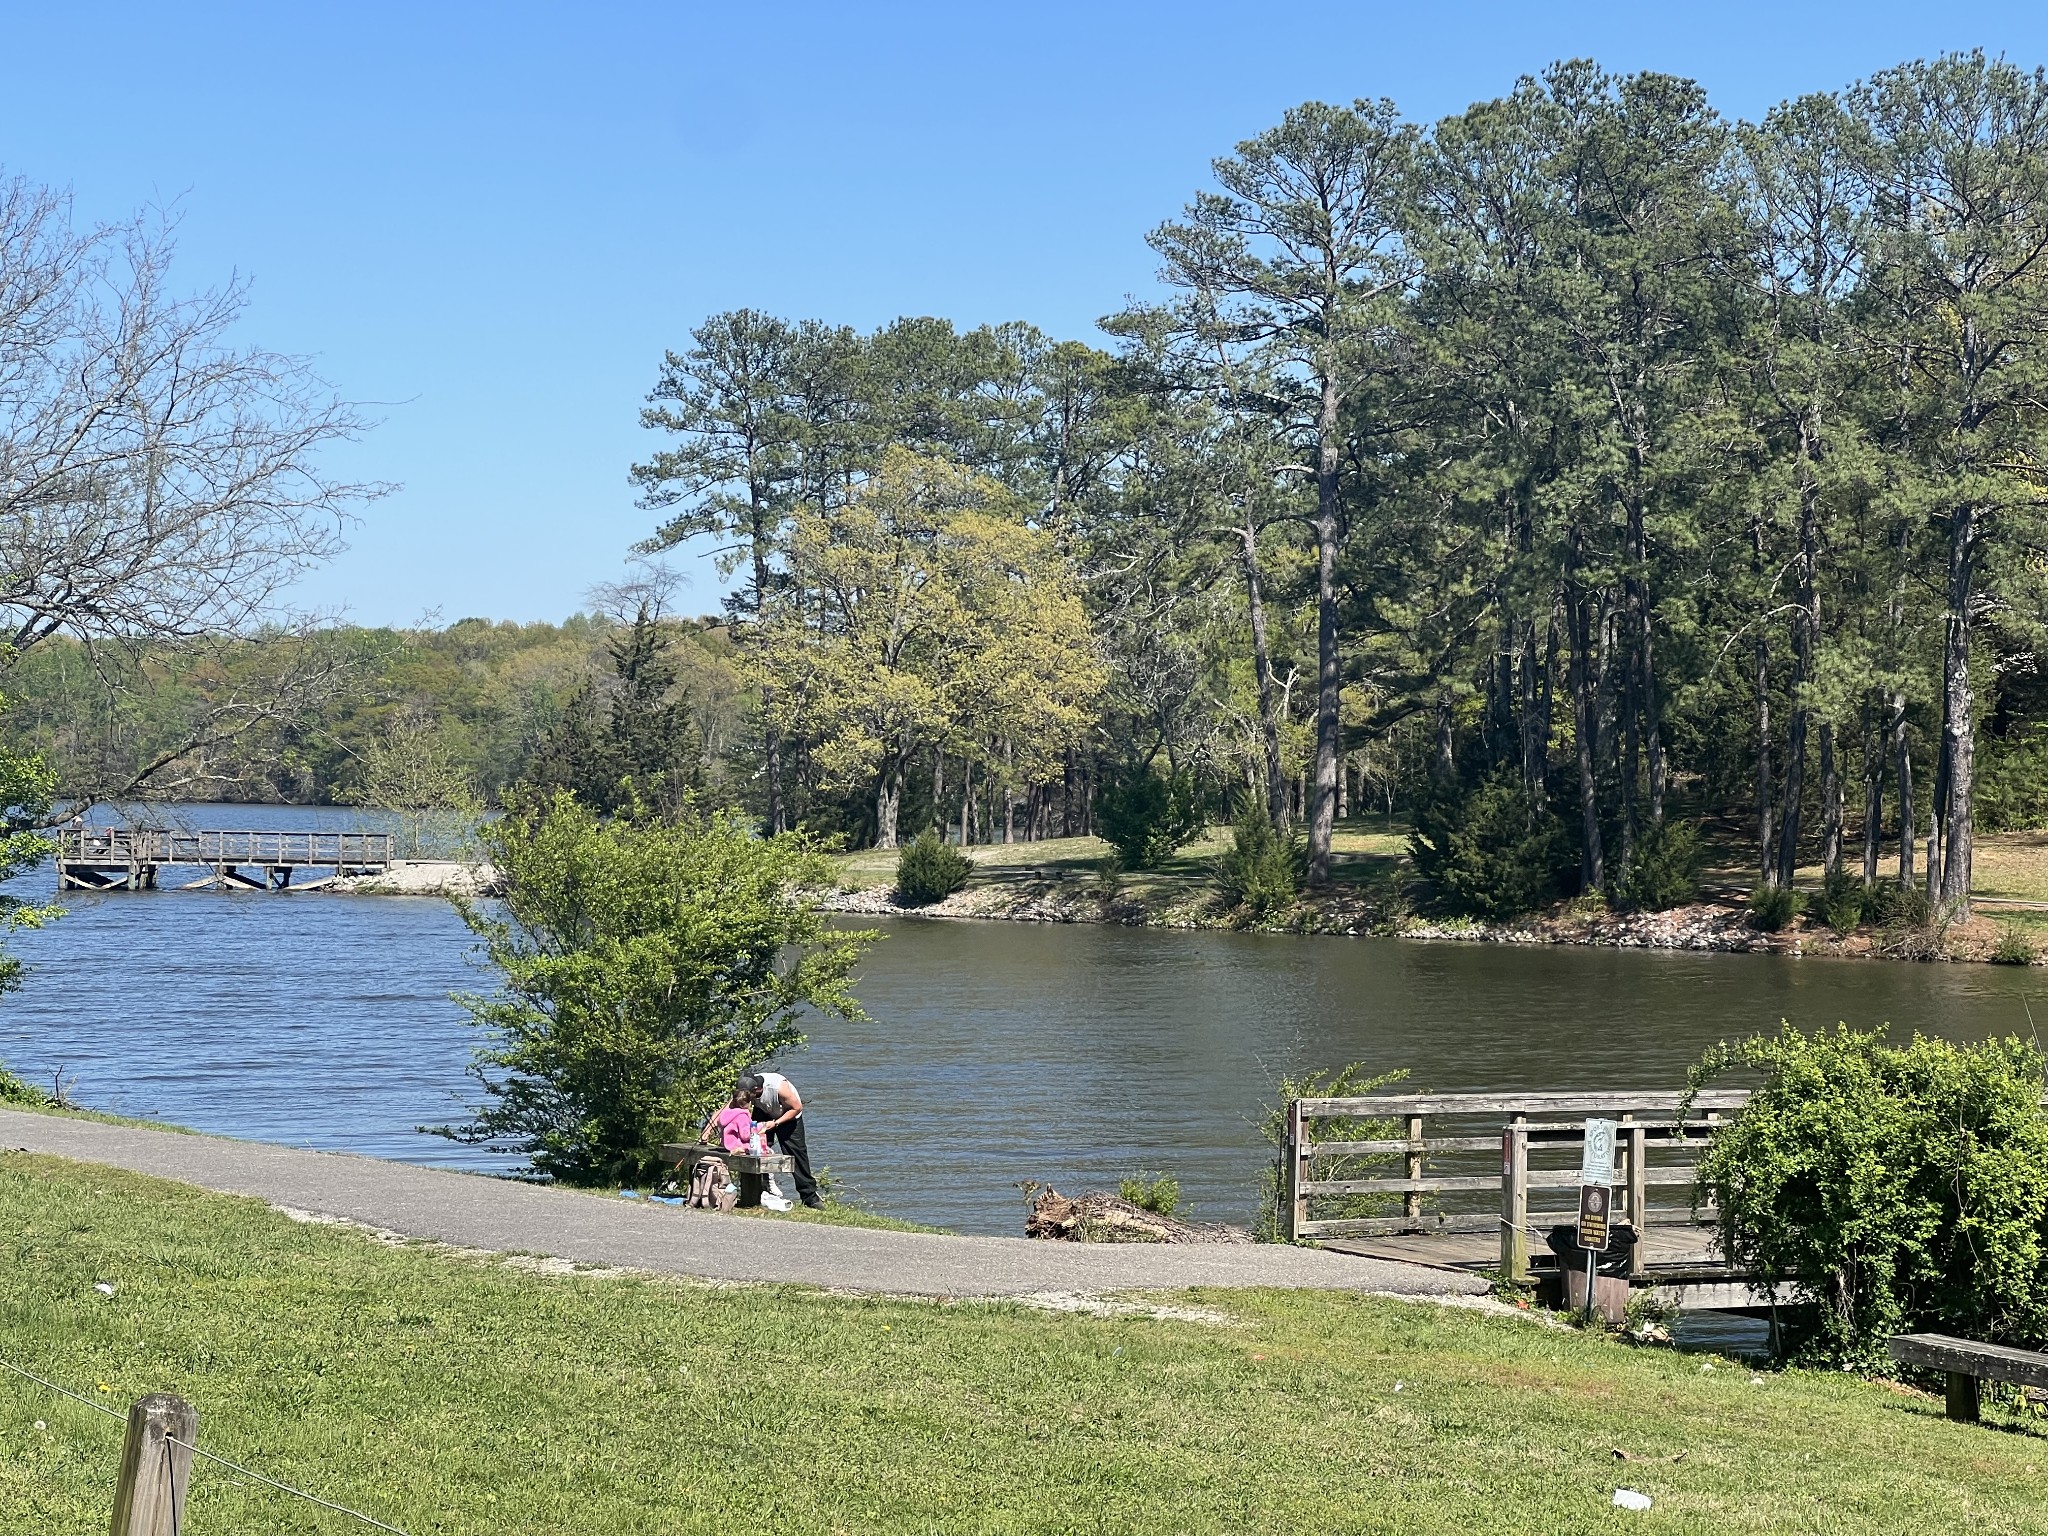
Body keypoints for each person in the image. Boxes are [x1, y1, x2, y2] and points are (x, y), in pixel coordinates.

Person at [740, 1069, 821, 1208]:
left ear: (757, 1089)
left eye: (749, 1095)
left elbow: (797, 1107)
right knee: (756, 1149)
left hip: (788, 1114)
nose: (746, 1098)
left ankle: (810, 1197)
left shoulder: (778, 1087)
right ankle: (763, 1191)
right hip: (764, 1112)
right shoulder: (745, 1087)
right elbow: (730, 1107)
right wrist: (707, 1131)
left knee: (796, 1155)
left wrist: (776, 1123)